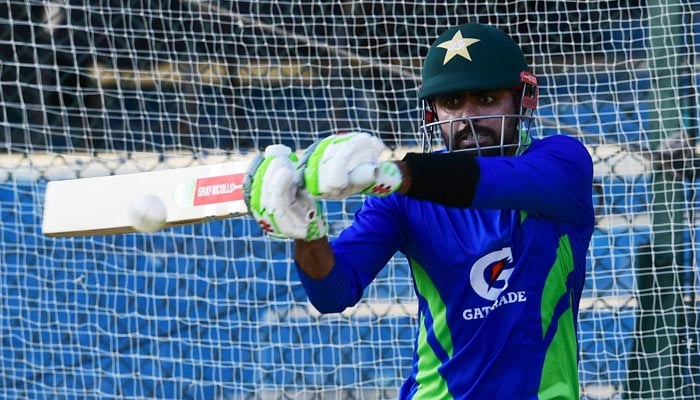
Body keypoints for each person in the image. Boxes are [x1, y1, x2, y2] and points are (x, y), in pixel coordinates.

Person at [244, 22, 595, 400]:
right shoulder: (401, 197)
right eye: (452, 103)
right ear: (432, 114)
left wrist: (391, 174)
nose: (467, 119)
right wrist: (306, 231)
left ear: (524, 99)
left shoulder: (562, 163)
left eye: (487, 100)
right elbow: (333, 294)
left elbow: (496, 181)